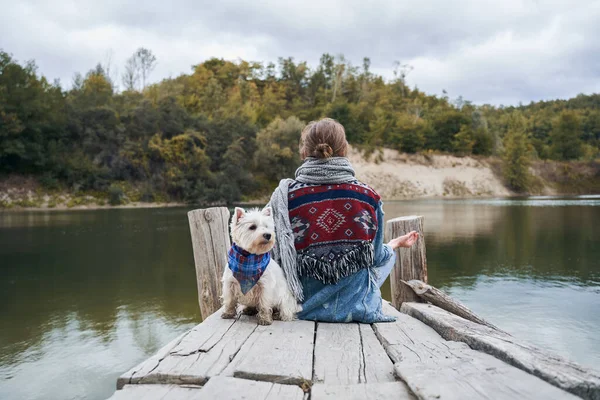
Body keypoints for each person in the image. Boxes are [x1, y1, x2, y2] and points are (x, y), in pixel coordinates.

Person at [268, 118, 419, 323]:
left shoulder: (285, 197)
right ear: (344, 148)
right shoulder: (367, 196)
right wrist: (393, 245)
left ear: (304, 151)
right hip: (359, 309)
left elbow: (270, 252)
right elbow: (375, 258)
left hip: (301, 308)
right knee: (388, 255)